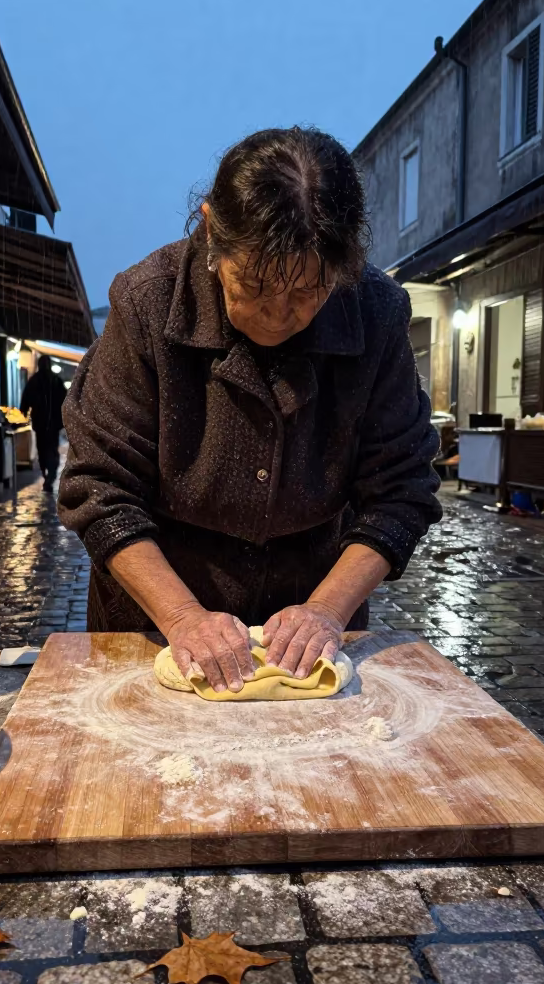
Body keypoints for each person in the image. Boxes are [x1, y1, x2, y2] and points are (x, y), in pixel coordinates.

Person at [58, 127, 441, 693]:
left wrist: (327, 611)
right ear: (212, 232)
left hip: (310, 621)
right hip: (154, 618)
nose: (277, 315)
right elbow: (98, 487)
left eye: (308, 291)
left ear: (342, 266)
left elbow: (401, 490)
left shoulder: (377, 313)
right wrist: (184, 618)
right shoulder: (146, 302)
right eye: (256, 285)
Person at [20, 355, 67, 492]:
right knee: (51, 450)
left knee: (43, 450)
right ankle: (49, 476)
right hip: (52, 424)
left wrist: (23, 412)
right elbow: (65, 401)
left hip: (41, 423)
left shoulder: (34, 381)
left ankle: (48, 475)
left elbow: (25, 399)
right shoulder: (56, 381)